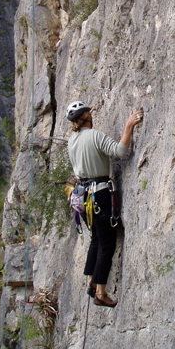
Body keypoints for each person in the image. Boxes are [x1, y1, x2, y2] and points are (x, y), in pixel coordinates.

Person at [66, 101, 143, 308]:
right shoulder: (95, 135)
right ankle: (100, 291)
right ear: (86, 118)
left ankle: (91, 281)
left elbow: (84, 130)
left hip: (82, 197)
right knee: (107, 243)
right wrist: (129, 125)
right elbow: (120, 152)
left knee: (96, 239)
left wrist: (87, 114)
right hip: (99, 195)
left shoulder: (72, 141)